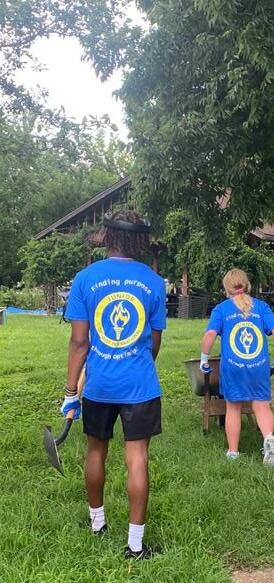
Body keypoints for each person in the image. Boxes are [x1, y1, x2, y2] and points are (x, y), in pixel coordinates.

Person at [62, 209, 167, 560]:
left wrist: (70, 392)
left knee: (95, 450)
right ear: (141, 240)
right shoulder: (153, 282)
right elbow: (154, 343)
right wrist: (136, 364)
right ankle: (135, 545)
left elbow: (79, 342)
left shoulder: (85, 279)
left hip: (99, 386)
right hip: (140, 385)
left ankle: (98, 524)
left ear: (108, 236)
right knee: (137, 459)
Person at [199, 269, 274, 466]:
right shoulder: (261, 307)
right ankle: (268, 438)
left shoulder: (221, 309)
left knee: (233, 407)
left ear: (226, 289)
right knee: (261, 405)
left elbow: (210, 334)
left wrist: (204, 359)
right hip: (259, 366)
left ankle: (233, 452)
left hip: (233, 368)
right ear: (247, 285)